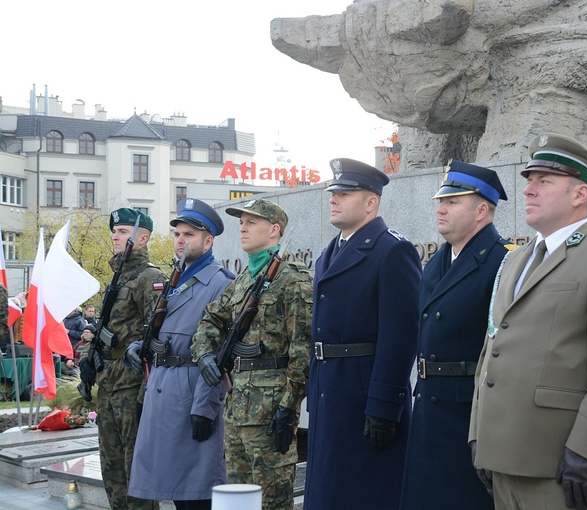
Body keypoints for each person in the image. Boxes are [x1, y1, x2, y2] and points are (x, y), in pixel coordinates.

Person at [468, 133, 587, 510]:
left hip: (564, 468)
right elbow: (492, 351)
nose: (529, 190)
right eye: (529, 181)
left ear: (580, 194)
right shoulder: (515, 260)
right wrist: (479, 437)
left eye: (544, 181)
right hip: (504, 460)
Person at [304, 158, 422, 510]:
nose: (333, 199)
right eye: (332, 193)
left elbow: (400, 337)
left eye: (344, 193)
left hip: (363, 394)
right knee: (327, 490)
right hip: (330, 389)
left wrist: (386, 406)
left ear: (371, 202)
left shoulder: (392, 250)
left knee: (362, 492)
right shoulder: (331, 251)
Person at [399, 160, 511, 510]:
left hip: (469, 416)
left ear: (481, 210)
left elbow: (505, 350)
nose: (440, 208)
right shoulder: (437, 262)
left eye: (452, 201)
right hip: (430, 410)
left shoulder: (503, 262)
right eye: (440, 200)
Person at [191, 199, 312, 510]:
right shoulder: (244, 279)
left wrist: (289, 406)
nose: (242, 228)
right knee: (239, 500)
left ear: (274, 230)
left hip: (271, 411)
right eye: (241, 222)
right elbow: (210, 320)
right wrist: (204, 355)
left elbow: (303, 349)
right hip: (237, 407)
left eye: (251, 222)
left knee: (272, 501)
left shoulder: (293, 279)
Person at [126, 198, 234, 510]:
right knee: (175, 494)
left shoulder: (219, 283)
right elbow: (162, 333)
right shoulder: (173, 282)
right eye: (177, 234)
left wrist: (205, 405)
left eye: (189, 234)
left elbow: (218, 353)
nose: (181, 240)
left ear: (208, 241)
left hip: (191, 398)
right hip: (162, 395)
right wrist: (138, 348)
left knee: (198, 497)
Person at [94, 207, 167, 510]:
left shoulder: (149, 277)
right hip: (109, 384)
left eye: (123, 231)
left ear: (142, 238)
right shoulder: (117, 278)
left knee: (135, 468)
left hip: (131, 385)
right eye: (115, 231)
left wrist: (144, 392)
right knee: (111, 468)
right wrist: (90, 363)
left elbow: (159, 336)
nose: (115, 235)